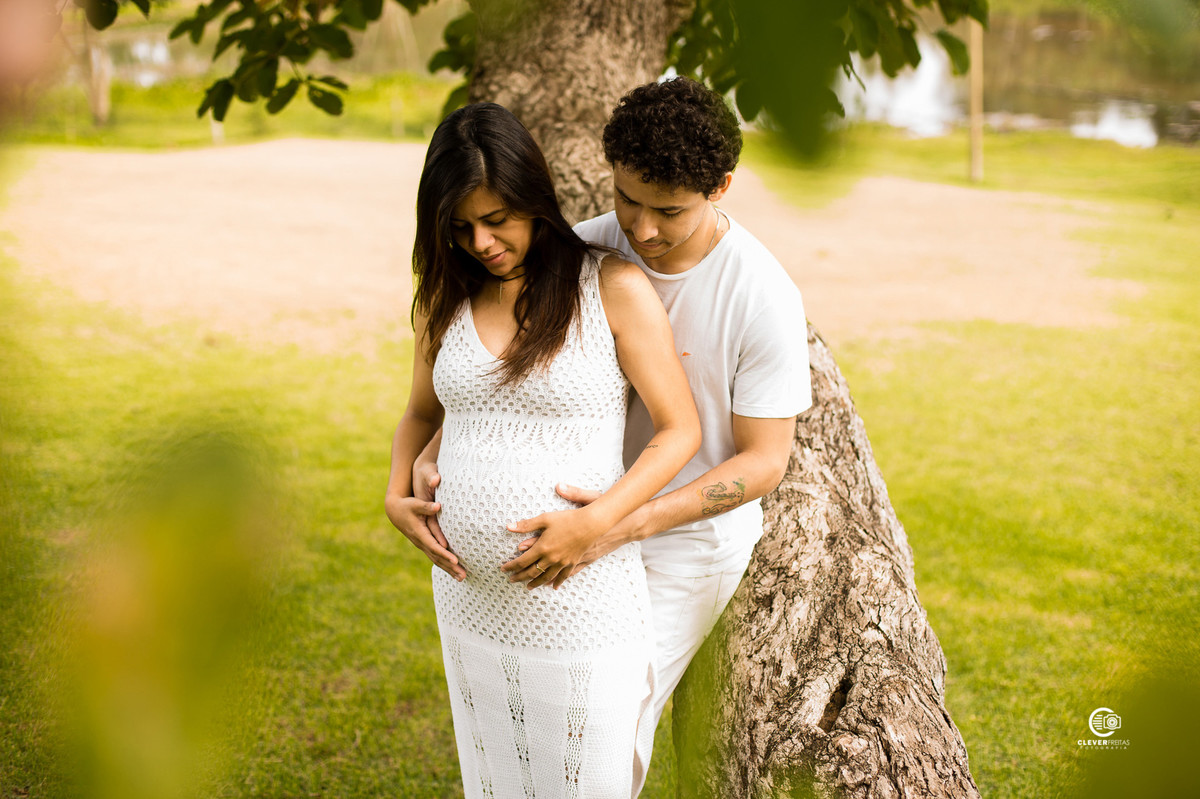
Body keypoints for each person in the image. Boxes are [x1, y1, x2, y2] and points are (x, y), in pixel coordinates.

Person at [408, 78, 812, 791]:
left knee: (600, 734)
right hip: (588, 524)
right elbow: (498, 382)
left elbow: (765, 462)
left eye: (669, 211)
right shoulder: (590, 247)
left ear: (720, 187)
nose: (642, 227)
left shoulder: (760, 294)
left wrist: (614, 524)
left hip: (687, 537)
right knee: (529, 723)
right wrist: (437, 456)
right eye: (627, 198)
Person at [384, 102, 700, 798]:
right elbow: (419, 412)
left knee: (585, 780)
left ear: (533, 197)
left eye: (497, 220)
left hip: (580, 594)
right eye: (461, 227)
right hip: (470, 603)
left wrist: (595, 523)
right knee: (496, 779)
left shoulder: (610, 287)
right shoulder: (446, 301)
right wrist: (394, 489)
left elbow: (681, 429)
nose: (482, 242)